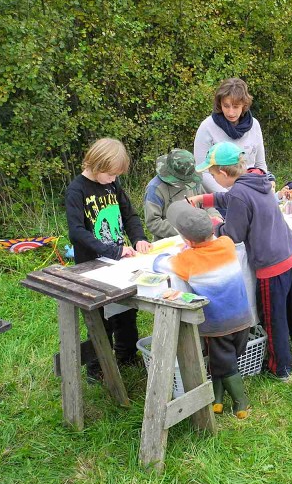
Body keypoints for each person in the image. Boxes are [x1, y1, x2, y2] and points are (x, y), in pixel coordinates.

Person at [188, 142, 292, 381]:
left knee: (274, 319)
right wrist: (204, 199)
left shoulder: (239, 192)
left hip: (271, 267)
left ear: (223, 173)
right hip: (291, 254)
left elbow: (233, 234)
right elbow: (231, 198)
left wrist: (212, 226)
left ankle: (280, 368)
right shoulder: (256, 178)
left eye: (212, 173)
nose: (211, 177)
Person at [65, 138, 152, 379]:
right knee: (100, 318)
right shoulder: (77, 190)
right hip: (92, 266)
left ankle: (126, 356)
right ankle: (96, 367)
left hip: (119, 261)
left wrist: (138, 238)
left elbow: (129, 214)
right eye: (111, 175)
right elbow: (77, 232)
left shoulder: (113, 184)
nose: (114, 180)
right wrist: (111, 250)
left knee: (125, 310)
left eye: (116, 176)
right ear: (97, 165)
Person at [164, 202, 253, 418]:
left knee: (225, 362)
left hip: (217, 323)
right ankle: (218, 399)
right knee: (223, 359)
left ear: (188, 240)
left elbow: (163, 264)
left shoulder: (186, 259)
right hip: (243, 317)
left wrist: (181, 251)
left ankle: (241, 403)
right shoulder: (227, 243)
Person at [194, 78, 268, 193]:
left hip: (251, 192)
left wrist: (261, 189)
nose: (230, 112)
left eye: (236, 106)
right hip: (220, 197)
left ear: (244, 104)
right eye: (226, 106)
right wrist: (229, 197)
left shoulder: (255, 125)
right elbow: (202, 172)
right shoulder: (207, 127)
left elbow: (260, 165)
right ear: (220, 104)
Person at [144, 149, 220, 239]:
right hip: (170, 242)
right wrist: (188, 229)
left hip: (201, 237)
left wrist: (216, 217)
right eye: (181, 181)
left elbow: (207, 204)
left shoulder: (194, 180)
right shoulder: (155, 188)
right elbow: (153, 223)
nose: (184, 185)